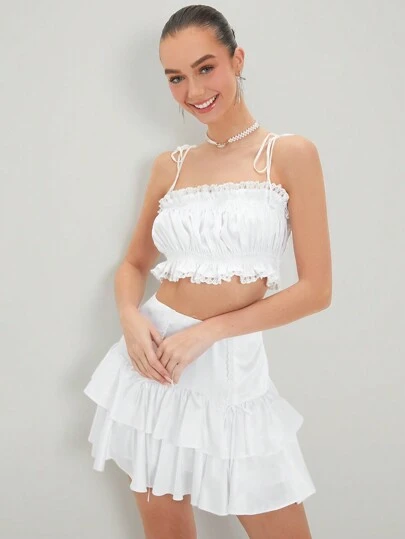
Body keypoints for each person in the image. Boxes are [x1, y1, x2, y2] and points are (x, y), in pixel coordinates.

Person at [83, 4, 332, 538]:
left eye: (205, 68)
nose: (194, 90)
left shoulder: (289, 154)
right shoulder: (168, 166)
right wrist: (130, 318)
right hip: (154, 364)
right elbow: (133, 264)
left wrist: (208, 333)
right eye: (176, 77)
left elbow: (317, 291)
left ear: (237, 59)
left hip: (230, 371)